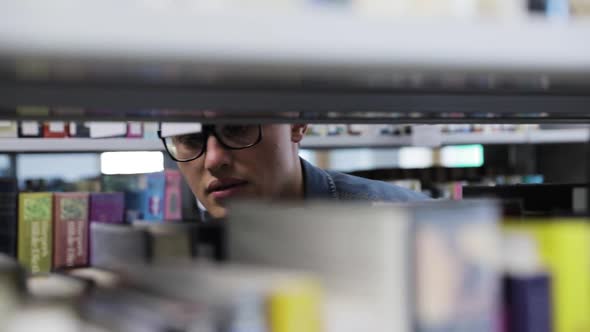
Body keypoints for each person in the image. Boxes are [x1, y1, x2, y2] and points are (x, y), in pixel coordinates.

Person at [159, 124, 428, 219]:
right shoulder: (176, 261)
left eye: (238, 129)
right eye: (191, 139)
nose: (214, 161)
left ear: (297, 124)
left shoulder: (411, 226)